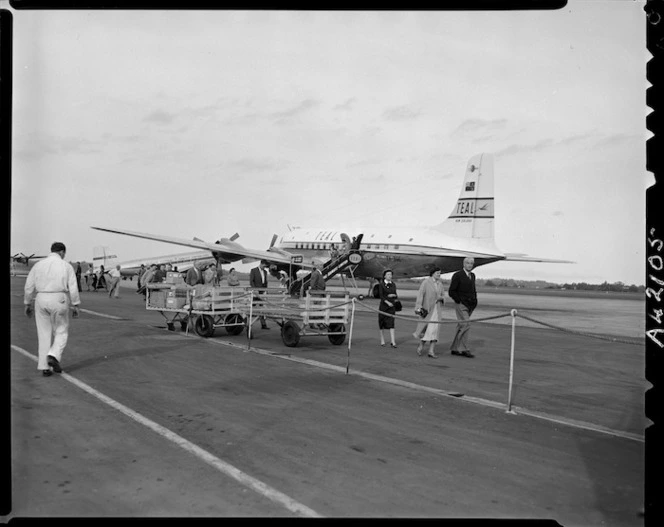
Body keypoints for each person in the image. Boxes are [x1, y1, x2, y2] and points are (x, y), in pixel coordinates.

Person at [23, 242, 81, 376]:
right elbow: (73, 286)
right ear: (62, 252)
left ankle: (44, 367)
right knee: (61, 330)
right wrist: (76, 304)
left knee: (43, 333)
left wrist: (27, 303)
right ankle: (53, 355)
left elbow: (29, 285)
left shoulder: (38, 265)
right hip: (59, 298)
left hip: (41, 298)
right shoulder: (66, 266)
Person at [448, 257, 478, 358]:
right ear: (464, 264)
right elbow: (451, 291)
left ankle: (455, 348)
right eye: (468, 263)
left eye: (471, 263)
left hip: (471, 304)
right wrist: (458, 300)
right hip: (461, 304)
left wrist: (475, 300)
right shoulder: (457, 275)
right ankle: (464, 349)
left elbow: (473, 289)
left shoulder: (472, 276)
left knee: (461, 325)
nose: (470, 265)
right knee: (466, 324)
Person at [413, 267, 445, 358]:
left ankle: (431, 351)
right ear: (433, 273)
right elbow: (420, 294)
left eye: (440, 273)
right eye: (437, 273)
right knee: (427, 329)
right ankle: (421, 346)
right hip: (428, 310)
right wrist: (418, 306)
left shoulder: (440, 284)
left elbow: (443, 295)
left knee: (434, 331)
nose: (439, 275)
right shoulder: (426, 282)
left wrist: (441, 298)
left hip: (437, 311)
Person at [378, 269, 399, 348]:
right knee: (382, 322)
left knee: (391, 323)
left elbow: (396, 294)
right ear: (384, 276)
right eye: (388, 274)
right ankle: (382, 340)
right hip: (384, 306)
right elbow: (381, 295)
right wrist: (387, 301)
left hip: (392, 306)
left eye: (391, 274)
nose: (390, 276)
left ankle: (393, 341)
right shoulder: (381, 284)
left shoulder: (393, 284)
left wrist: (393, 296)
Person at [249, 260, 270, 329]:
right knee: (251, 307)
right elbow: (251, 281)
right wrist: (255, 289)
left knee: (262, 308)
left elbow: (265, 282)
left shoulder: (265, 272)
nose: (264, 267)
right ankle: (248, 324)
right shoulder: (253, 270)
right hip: (255, 292)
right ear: (261, 264)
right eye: (264, 266)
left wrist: (266, 290)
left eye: (265, 267)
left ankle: (263, 324)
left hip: (262, 292)